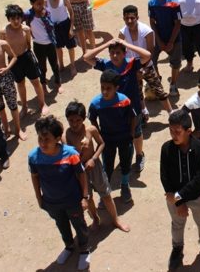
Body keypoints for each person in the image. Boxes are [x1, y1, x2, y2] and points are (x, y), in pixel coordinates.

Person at [29, 115, 90, 271]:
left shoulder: (70, 154)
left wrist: (85, 197)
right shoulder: (33, 157)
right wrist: (39, 198)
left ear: (57, 139)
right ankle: (69, 246)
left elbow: (81, 175)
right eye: (40, 139)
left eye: (47, 139)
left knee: (79, 224)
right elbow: (35, 177)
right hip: (51, 202)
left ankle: (84, 249)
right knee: (61, 225)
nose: (43, 143)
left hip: (73, 200)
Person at [161, 110, 200, 269]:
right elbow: (164, 176)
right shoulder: (166, 149)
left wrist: (179, 197)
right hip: (174, 198)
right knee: (177, 224)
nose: (173, 135)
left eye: (177, 132)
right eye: (171, 130)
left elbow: (199, 179)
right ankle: (177, 249)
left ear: (189, 131)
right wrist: (178, 201)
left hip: (197, 196)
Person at [84, 38, 150, 175]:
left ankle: (139, 155)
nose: (115, 55)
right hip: (114, 110)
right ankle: (126, 158)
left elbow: (147, 55)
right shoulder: (106, 65)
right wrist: (106, 44)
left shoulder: (131, 63)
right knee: (121, 135)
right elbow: (86, 57)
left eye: (118, 52)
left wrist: (126, 44)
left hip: (132, 108)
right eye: (112, 52)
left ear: (124, 53)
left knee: (136, 133)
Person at [64, 101, 130, 232]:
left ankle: (116, 219)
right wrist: (79, 151)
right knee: (88, 197)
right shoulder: (66, 136)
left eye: (78, 120)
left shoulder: (91, 130)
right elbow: (69, 156)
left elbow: (101, 144)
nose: (74, 124)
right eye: (71, 120)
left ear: (83, 119)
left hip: (95, 167)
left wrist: (93, 159)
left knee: (106, 194)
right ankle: (95, 218)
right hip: (80, 171)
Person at [87, 69, 136, 204]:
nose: (104, 91)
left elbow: (133, 117)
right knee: (107, 166)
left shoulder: (124, 101)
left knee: (126, 162)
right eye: (102, 87)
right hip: (107, 139)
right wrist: (98, 136)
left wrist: (131, 134)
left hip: (124, 137)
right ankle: (105, 192)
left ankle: (125, 185)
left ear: (116, 88)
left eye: (108, 88)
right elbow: (92, 119)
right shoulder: (95, 103)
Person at [119, 4, 172, 114]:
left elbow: (150, 52)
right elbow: (121, 53)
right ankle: (144, 111)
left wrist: (142, 69)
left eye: (132, 18)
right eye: (126, 18)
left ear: (137, 17)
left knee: (159, 91)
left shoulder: (147, 31)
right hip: (131, 67)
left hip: (147, 66)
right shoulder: (122, 33)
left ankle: (171, 113)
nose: (129, 21)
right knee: (136, 93)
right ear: (123, 18)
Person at [0, 4, 50, 116]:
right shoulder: (3, 32)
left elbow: (28, 44)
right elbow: (1, 48)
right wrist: (4, 65)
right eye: (13, 19)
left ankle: (42, 104)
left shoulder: (26, 29)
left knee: (35, 81)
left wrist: (27, 55)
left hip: (26, 57)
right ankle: (24, 107)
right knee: (20, 83)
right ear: (8, 19)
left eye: (18, 18)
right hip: (13, 61)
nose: (16, 21)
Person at [149, 0, 182, 97]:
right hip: (158, 37)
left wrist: (171, 42)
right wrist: (159, 41)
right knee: (151, 60)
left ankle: (173, 84)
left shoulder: (174, 2)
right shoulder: (152, 3)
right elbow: (152, 22)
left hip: (174, 38)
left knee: (176, 63)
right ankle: (158, 79)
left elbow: (178, 23)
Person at [24, 0, 61, 92]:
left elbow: (51, 26)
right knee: (42, 67)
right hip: (38, 44)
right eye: (38, 4)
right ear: (32, 3)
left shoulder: (47, 12)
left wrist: (44, 17)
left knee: (54, 64)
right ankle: (43, 84)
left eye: (42, 3)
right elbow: (18, 19)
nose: (41, 6)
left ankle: (58, 83)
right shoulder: (28, 14)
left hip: (50, 43)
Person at [46, 0, 77, 77]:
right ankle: (61, 65)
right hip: (54, 27)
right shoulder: (46, 0)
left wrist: (71, 28)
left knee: (70, 47)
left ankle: (72, 66)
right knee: (58, 48)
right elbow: (44, 14)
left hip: (65, 25)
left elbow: (71, 13)